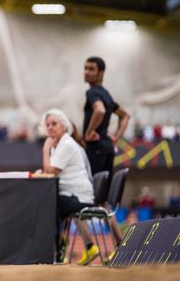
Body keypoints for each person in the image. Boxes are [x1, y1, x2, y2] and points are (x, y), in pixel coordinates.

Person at [35, 109, 98, 265]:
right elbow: (50, 171)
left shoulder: (66, 144)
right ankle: (62, 249)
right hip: (71, 195)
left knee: (48, 205)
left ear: (64, 126)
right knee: (48, 202)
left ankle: (57, 251)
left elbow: (51, 172)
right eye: (47, 124)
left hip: (78, 197)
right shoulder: (59, 145)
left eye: (54, 124)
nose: (50, 127)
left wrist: (45, 150)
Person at [82, 56, 129, 247]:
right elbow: (125, 116)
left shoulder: (93, 92)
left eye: (91, 69)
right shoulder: (106, 93)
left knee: (81, 195)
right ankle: (121, 245)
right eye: (85, 68)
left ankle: (90, 246)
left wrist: (87, 133)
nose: (86, 72)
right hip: (108, 149)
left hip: (96, 150)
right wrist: (115, 137)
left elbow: (99, 111)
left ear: (101, 73)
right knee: (104, 203)